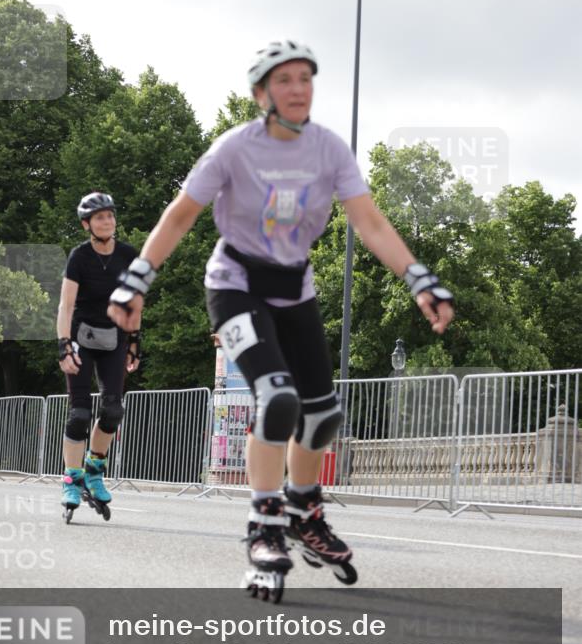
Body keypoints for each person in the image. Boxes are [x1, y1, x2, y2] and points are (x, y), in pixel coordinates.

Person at [107, 41, 454, 594]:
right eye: (284, 80)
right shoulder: (233, 148)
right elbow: (179, 217)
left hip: (294, 290)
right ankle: (263, 524)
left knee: (322, 415)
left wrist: (419, 278)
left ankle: (304, 510)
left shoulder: (329, 150)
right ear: (261, 94)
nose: (298, 89)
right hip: (235, 285)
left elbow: (371, 223)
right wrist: (136, 279)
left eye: (305, 79)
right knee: (279, 399)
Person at [57, 192, 140, 521]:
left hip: (115, 337)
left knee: (113, 410)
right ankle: (71, 480)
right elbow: (65, 305)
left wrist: (135, 340)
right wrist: (63, 345)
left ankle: (94, 469)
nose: (107, 221)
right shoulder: (79, 257)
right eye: (100, 217)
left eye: (110, 215)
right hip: (81, 336)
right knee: (79, 414)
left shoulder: (128, 255)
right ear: (86, 224)